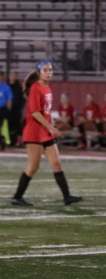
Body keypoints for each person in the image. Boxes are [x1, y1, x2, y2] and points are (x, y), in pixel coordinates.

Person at [10, 61, 82, 206]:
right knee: (33, 167)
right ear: (39, 73)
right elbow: (35, 113)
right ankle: (17, 197)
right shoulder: (36, 88)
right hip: (34, 133)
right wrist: (51, 128)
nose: (48, 72)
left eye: (50, 70)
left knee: (57, 164)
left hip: (45, 132)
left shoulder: (47, 87)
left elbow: (46, 111)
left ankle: (67, 197)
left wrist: (52, 123)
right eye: (45, 70)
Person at [8, 71, 26, 147]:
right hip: (7, 110)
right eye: (12, 75)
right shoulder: (6, 86)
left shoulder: (19, 87)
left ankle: (17, 142)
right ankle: (9, 141)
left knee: (17, 126)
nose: (14, 77)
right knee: (9, 125)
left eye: (15, 76)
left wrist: (20, 106)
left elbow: (23, 98)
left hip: (16, 110)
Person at [0, 71, 13, 150]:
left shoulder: (6, 87)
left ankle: (3, 141)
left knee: (2, 126)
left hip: (2, 109)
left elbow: (9, 99)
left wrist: (8, 109)